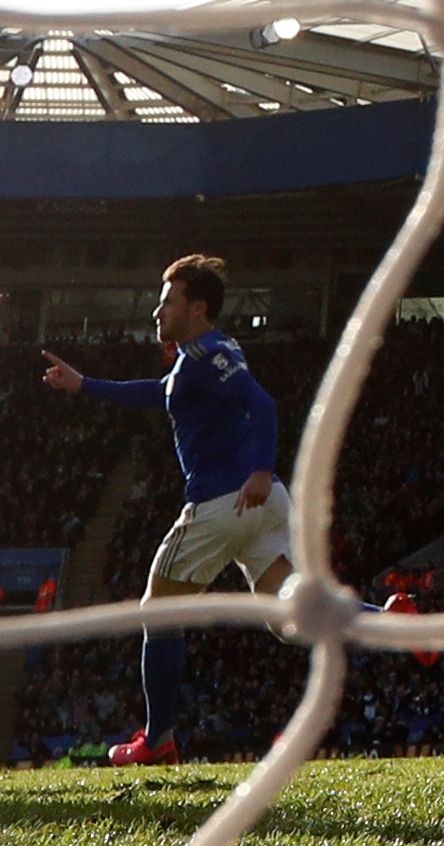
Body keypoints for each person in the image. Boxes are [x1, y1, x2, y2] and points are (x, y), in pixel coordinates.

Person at [40, 258, 290, 764]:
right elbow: (160, 395)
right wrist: (84, 384)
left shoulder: (208, 354)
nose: (157, 310)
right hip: (264, 504)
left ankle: (158, 740)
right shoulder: (196, 357)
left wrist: (260, 468)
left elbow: (263, 405)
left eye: (168, 300)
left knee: (158, 610)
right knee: (291, 615)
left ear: (197, 309)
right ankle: (391, 622)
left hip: (228, 499)